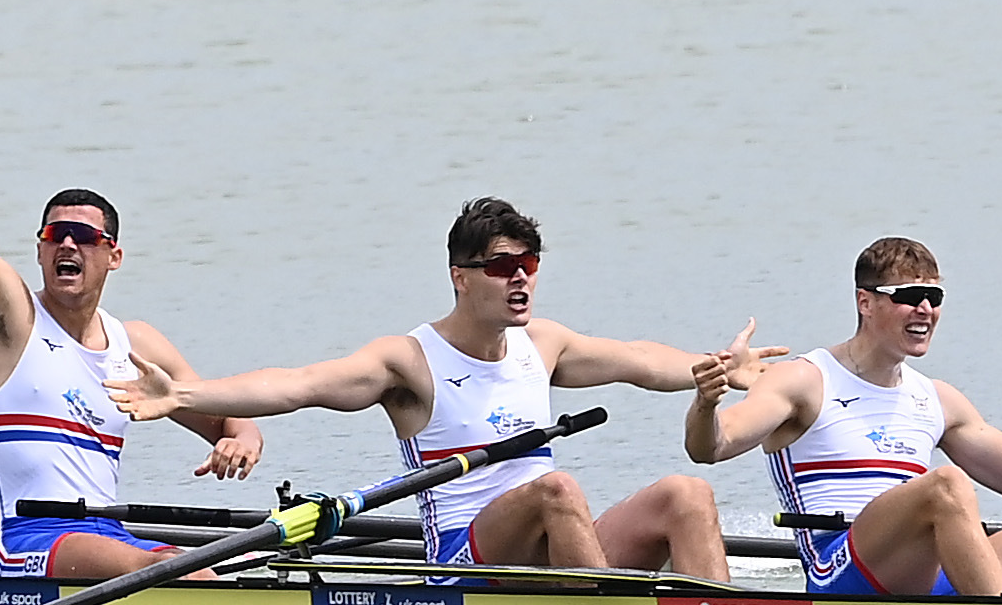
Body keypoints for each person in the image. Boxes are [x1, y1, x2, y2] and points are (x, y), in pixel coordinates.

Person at [113, 197, 731, 582]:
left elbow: (644, 361)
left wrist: (725, 369)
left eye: (530, 264)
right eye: (500, 267)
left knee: (687, 491)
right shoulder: (409, 362)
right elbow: (296, 385)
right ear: (461, 278)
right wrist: (186, 398)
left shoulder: (543, 343)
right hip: (468, 557)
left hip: (553, 541)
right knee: (557, 488)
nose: (519, 278)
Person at [0, 16, 259, 582]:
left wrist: (242, 440)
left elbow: (229, 420)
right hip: (26, 544)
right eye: (55, 236)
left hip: (108, 536)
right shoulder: (7, 319)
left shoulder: (136, 345)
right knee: (179, 570)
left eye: (86, 237)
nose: (68, 244)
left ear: (113, 256)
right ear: (41, 250)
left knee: (235, 565)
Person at [685, 238, 1002, 598]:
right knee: (945, 485)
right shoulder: (803, 381)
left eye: (934, 298)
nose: (924, 309)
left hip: (930, 567)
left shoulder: (937, 398)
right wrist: (707, 403)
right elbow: (713, 447)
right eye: (907, 297)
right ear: (866, 302)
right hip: (843, 569)